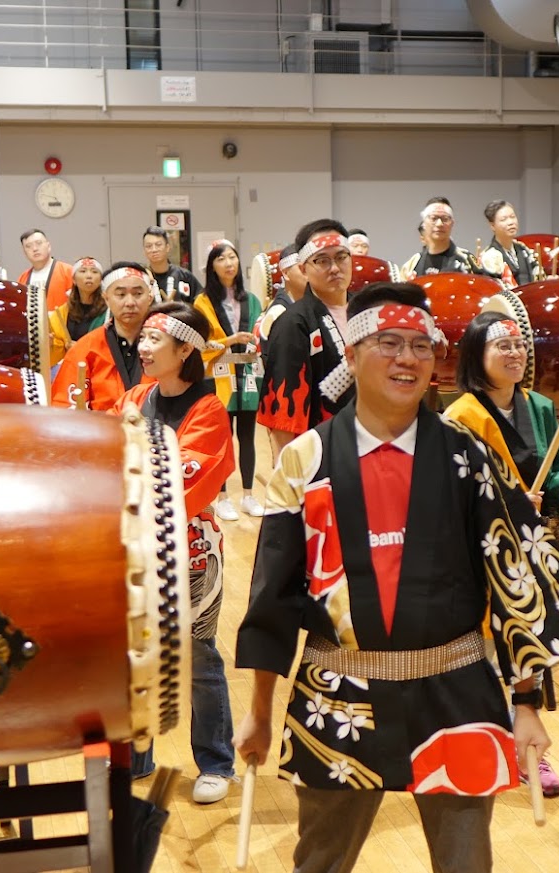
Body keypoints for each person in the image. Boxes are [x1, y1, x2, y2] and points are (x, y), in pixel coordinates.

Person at [234, 281, 559, 872]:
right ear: (352, 353)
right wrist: (258, 709)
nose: (406, 358)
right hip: (339, 692)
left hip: (455, 691)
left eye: (421, 345)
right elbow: (272, 594)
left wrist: (526, 701)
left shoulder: (468, 455)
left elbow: (516, 578)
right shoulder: (304, 459)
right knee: (320, 861)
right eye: (388, 342)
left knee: (465, 863)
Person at [443, 311, 559, 799]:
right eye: (501, 345)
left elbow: (557, 465)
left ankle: (529, 751)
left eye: (519, 344)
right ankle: (479, 743)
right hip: (481, 547)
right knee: (481, 653)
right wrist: (503, 501)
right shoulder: (461, 415)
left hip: (531, 543)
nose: (514, 353)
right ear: (476, 355)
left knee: (530, 644)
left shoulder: (540, 406)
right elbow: (454, 488)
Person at [113, 303, 237, 803]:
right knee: (133, 654)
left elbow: (189, 476)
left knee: (198, 657)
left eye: (154, 340)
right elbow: (106, 455)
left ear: (185, 350)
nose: (142, 348)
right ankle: (137, 756)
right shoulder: (135, 398)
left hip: (191, 547)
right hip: (131, 544)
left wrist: (132, 471)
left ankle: (216, 762)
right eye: (142, 338)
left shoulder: (209, 410)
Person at [256, 220, 355, 457]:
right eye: (322, 260)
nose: (335, 268)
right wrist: (288, 471)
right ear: (303, 269)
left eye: (341, 257)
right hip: (324, 451)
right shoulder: (293, 322)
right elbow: (284, 410)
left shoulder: (368, 312)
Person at [193, 240, 263, 521]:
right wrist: (231, 340)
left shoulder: (252, 300)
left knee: (247, 436)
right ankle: (222, 497)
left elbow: (260, 332)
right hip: (218, 376)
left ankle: (248, 495)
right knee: (222, 438)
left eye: (232, 257)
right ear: (212, 266)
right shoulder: (202, 302)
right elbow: (200, 343)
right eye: (221, 259)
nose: (228, 263)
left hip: (248, 374)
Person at [51, 262, 154, 412]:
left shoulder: (167, 346)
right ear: (106, 298)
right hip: (100, 426)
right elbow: (63, 407)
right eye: (121, 295)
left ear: (150, 297)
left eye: (138, 294)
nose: (130, 302)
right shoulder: (85, 349)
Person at [399, 198, 485, 278]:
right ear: (424, 223)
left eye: (445, 219)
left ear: (452, 223)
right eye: (434, 218)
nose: (439, 224)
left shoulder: (466, 260)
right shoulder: (412, 264)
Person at [48, 256, 108, 366]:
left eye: (94, 272)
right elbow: (56, 350)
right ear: (74, 280)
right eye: (83, 271)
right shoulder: (62, 312)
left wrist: (81, 348)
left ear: (100, 280)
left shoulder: (110, 311)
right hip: (70, 366)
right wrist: (51, 345)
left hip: (98, 367)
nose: (89, 275)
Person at [480, 201, 539, 288]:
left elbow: (538, 277)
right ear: (492, 226)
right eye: (504, 219)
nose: (511, 222)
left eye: (512, 217)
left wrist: (549, 280)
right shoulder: (489, 257)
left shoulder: (523, 249)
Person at [142, 225, 203, 303]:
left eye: (158, 245)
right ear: (144, 251)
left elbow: (200, 302)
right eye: (148, 246)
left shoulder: (184, 276)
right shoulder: (142, 277)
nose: (154, 250)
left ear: (167, 247)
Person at [17, 229, 74, 311]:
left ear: (48, 246)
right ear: (24, 252)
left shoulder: (68, 271)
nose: (34, 249)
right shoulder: (22, 279)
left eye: (38, 243)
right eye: (28, 246)